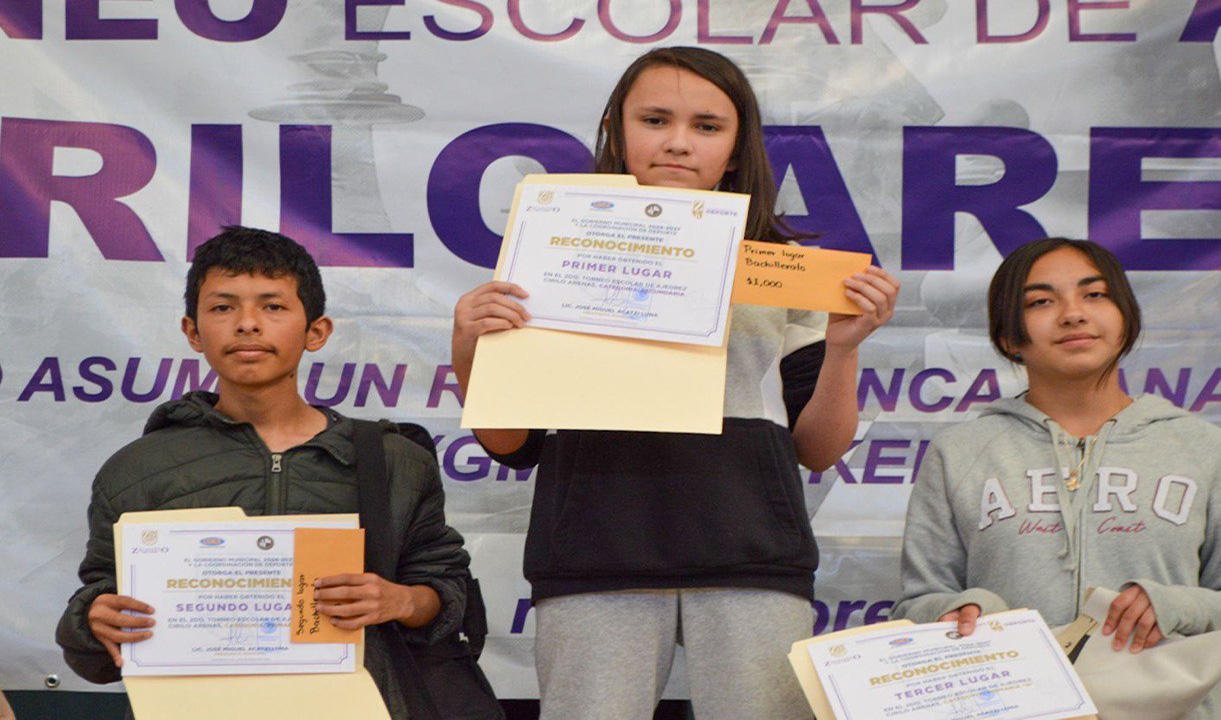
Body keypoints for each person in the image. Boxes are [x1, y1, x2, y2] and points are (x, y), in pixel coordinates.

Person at [451, 47, 899, 720]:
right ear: (616, 128)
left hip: (751, 554)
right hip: (595, 551)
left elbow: (820, 448)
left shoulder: (785, 270)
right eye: (655, 119)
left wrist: (843, 350)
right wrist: (467, 343)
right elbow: (510, 441)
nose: (679, 143)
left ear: (738, 144)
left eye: (708, 126)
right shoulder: (552, 249)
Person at [55, 227, 470, 720]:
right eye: (223, 307)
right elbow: (96, 621)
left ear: (316, 331)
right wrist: (94, 621)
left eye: (273, 307)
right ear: (192, 331)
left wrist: (400, 600)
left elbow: (446, 595)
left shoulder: (394, 460)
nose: (248, 324)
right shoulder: (137, 469)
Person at [894, 237, 1221, 719]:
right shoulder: (960, 452)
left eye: (1094, 295)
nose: (1073, 314)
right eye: (1040, 302)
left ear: (1126, 318)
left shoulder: (1206, 448)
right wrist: (962, 611)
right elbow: (915, 606)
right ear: (1009, 337)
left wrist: (1176, 605)